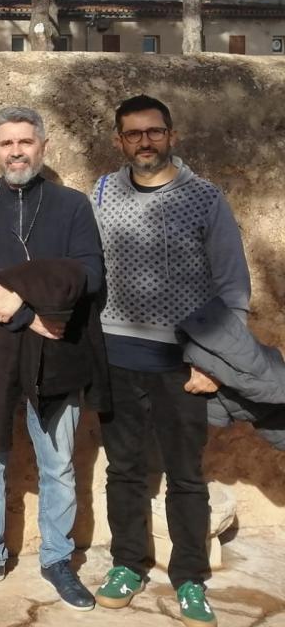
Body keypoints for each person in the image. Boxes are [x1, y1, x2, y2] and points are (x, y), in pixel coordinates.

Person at [91, 95, 250, 627]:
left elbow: (232, 287)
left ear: (171, 135)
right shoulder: (103, 191)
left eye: (154, 132)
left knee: (185, 475)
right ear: (119, 140)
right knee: (125, 470)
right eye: (133, 134)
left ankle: (188, 578)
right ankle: (127, 565)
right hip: (115, 357)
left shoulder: (205, 199)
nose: (145, 142)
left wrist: (216, 364)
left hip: (184, 363)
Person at [0, 106, 104, 610]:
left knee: (57, 460)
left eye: (25, 142)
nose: (16, 151)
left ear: (43, 146)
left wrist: (32, 309)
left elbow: (91, 274)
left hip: (55, 350)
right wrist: (20, 314)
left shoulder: (72, 205)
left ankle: (57, 558)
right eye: (6, 143)